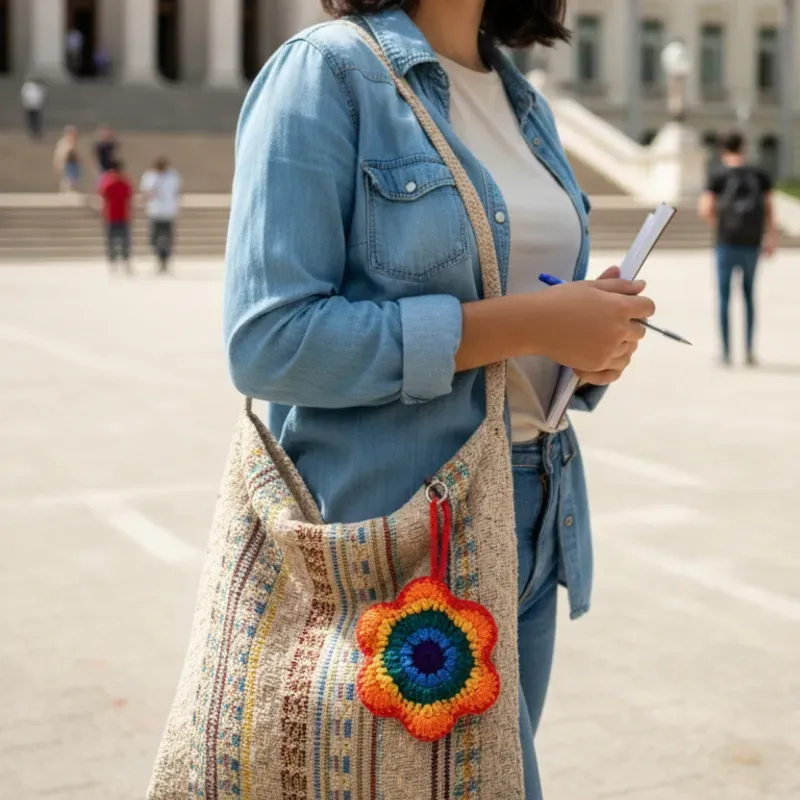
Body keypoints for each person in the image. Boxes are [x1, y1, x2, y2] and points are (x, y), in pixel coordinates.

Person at [223, 4, 654, 799]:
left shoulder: (522, 100)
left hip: (538, 507)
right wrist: (533, 322)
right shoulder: (326, 73)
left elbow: (517, 310)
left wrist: (587, 343)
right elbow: (271, 342)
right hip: (403, 531)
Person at [699, 131, 777, 366]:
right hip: (752, 243)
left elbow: (705, 209)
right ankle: (749, 350)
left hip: (726, 242)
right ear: (743, 148)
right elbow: (769, 209)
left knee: (724, 298)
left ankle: (725, 352)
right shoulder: (759, 175)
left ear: (723, 150)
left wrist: (721, 224)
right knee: (749, 296)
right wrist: (770, 237)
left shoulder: (718, 175)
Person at [140, 157, 182, 273]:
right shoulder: (149, 176)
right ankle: (159, 256)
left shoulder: (173, 176)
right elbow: (146, 192)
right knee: (154, 238)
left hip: (168, 211)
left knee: (168, 238)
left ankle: (165, 259)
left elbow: (176, 191)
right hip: (154, 211)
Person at [98, 160, 134, 273]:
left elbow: (102, 194)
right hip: (122, 215)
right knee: (124, 240)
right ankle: (124, 262)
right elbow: (130, 196)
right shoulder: (124, 182)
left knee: (111, 240)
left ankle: (113, 262)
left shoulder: (106, 181)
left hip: (111, 215)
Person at [53, 125, 82, 192]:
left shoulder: (76, 142)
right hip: (66, 164)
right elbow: (59, 154)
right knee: (67, 180)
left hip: (74, 164)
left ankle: (73, 191)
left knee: (75, 180)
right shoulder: (63, 142)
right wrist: (57, 164)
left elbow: (78, 154)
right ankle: (66, 193)